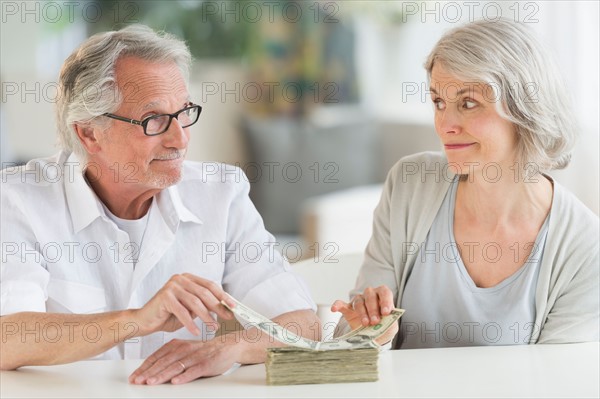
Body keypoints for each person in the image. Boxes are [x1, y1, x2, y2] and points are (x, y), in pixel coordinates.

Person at [0, 24, 320, 384]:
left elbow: (303, 324)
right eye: (154, 120)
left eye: (184, 112)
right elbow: (6, 338)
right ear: (89, 133)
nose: (179, 139)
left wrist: (226, 350)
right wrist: (136, 319)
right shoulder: (17, 200)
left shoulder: (220, 193)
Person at [332, 18, 599, 348]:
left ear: (526, 110)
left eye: (468, 103)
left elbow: (556, 382)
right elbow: (348, 344)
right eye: (439, 102)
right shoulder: (410, 184)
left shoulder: (586, 248)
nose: (445, 125)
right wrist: (370, 331)